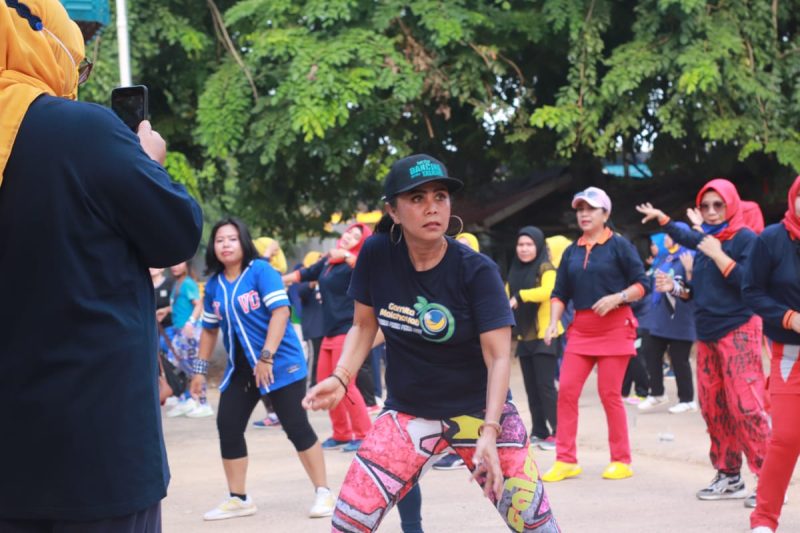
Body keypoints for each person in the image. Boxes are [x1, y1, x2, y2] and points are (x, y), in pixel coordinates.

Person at [0, 2, 203, 530]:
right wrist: (148, 164)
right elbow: (175, 234)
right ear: (42, 42)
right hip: (97, 456)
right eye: (78, 62)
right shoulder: (80, 131)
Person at [303, 154, 559, 532]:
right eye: (417, 198)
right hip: (408, 412)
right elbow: (363, 324)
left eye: (440, 196)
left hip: (480, 412)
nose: (432, 207)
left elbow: (499, 357)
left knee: (537, 526)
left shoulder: (477, 270)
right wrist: (342, 378)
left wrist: (491, 431)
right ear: (392, 211)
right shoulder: (376, 254)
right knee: (347, 523)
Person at [637, 178, 770, 507]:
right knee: (714, 408)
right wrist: (675, 288)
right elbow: (698, 289)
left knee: (746, 407)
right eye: (705, 205)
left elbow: (750, 285)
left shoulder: (746, 239)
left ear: (731, 205)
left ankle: (769, 480)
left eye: (718, 205)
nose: (711, 211)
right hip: (707, 332)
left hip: (739, 329)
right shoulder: (706, 240)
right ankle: (729, 475)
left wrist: (718, 255)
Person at [189, 218, 334, 521]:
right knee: (228, 426)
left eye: (232, 239)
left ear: (244, 242)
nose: (225, 245)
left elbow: (281, 312)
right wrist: (199, 370)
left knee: (296, 427)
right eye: (219, 240)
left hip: (280, 363)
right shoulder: (214, 285)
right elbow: (210, 330)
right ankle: (238, 498)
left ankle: (324, 492)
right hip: (242, 370)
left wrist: (266, 357)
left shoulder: (261, 271)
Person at [542, 187, 648, 483]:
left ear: (605, 213)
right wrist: (552, 323)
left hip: (615, 328)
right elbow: (560, 292)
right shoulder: (572, 251)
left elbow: (643, 284)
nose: (584, 214)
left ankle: (621, 460)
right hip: (581, 330)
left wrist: (618, 297)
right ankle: (565, 460)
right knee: (566, 391)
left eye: (591, 209)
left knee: (609, 394)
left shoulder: (620, 246)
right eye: (580, 209)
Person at [284, 223, 374, 453]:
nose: (349, 237)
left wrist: (346, 255)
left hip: (348, 330)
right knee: (325, 381)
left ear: (361, 243)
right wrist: (278, 280)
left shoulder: (357, 263)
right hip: (329, 330)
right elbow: (304, 274)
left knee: (346, 384)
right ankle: (341, 434)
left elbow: (367, 269)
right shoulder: (328, 262)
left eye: (356, 236)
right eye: (348, 232)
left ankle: (363, 434)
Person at [743, 176, 800, 533]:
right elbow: (751, 291)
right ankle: (764, 519)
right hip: (791, 353)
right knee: (787, 438)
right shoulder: (771, 240)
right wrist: (789, 318)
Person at [508, 226, 562, 452]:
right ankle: (539, 431)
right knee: (531, 388)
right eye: (520, 244)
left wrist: (521, 296)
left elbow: (549, 291)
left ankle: (560, 433)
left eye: (529, 244)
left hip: (545, 334)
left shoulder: (546, 268)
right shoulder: (514, 270)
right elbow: (505, 296)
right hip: (524, 336)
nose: (524, 249)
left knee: (545, 386)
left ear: (538, 246)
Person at [637, 228, 698, 414]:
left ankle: (687, 400)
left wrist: (689, 270)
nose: (666, 238)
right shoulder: (665, 258)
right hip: (660, 316)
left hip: (681, 316)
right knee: (650, 350)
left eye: (670, 235)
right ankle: (656, 393)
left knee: (679, 359)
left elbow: (693, 290)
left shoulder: (690, 256)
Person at [164, 261, 213, 418]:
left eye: (179, 263)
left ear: (186, 265)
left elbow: (198, 304)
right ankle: (188, 399)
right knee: (179, 365)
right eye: (173, 264)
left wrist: (191, 322)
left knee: (194, 368)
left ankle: (204, 404)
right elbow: (179, 304)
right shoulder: (178, 283)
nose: (175, 266)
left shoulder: (188, 283)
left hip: (189, 332)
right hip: (179, 332)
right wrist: (165, 310)